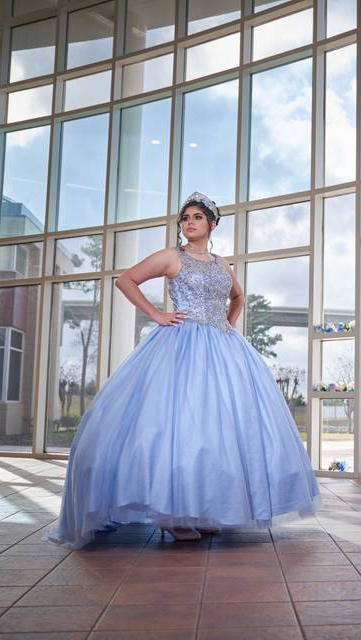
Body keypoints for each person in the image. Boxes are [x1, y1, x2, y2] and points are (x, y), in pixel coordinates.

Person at [46, 192, 322, 548]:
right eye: (185, 218)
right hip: (181, 346)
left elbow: (238, 296)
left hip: (223, 347)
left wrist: (226, 322)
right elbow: (126, 280)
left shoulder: (222, 264)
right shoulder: (170, 257)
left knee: (214, 432)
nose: (189, 222)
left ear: (212, 224)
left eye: (197, 217)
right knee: (178, 425)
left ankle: (203, 510)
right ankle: (173, 515)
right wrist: (158, 315)